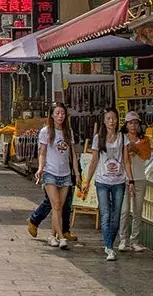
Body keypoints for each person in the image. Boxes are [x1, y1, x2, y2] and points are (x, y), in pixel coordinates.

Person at [84, 107, 129, 260]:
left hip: (119, 181)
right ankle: (109, 247)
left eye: (114, 118)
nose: (111, 121)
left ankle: (110, 244)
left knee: (116, 215)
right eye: (108, 118)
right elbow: (94, 161)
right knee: (105, 214)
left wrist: (131, 180)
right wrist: (87, 181)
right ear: (104, 121)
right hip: (102, 181)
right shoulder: (98, 138)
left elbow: (127, 160)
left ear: (118, 120)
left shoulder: (123, 137)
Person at [32, 104, 79, 249]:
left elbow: (73, 154)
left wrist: (77, 173)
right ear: (52, 115)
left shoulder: (68, 131)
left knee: (58, 207)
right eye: (57, 113)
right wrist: (40, 168)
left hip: (65, 174)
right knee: (56, 204)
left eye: (63, 113)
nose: (60, 116)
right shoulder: (46, 132)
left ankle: (53, 236)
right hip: (50, 173)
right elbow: (42, 152)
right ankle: (62, 238)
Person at [117, 111, 152, 253]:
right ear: (126, 124)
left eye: (135, 123)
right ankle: (123, 239)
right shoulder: (121, 139)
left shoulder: (144, 140)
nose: (133, 126)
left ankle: (135, 240)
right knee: (124, 210)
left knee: (137, 211)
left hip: (139, 178)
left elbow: (147, 155)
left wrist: (135, 149)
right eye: (130, 123)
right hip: (123, 178)